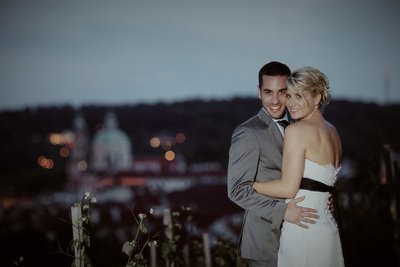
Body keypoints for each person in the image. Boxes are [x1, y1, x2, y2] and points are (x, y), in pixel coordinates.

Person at [227, 61, 319, 267]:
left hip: (302, 238)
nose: (275, 100)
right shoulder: (248, 133)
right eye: (268, 92)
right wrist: (283, 212)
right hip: (266, 244)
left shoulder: (299, 127)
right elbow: (236, 190)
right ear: (259, 92)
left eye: (283, 92)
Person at [252, 66, 345, 267]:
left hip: (302, 228)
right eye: (289, 95)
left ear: (317, 98)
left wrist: (250, 185)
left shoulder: (297, 131)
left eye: (299, 97)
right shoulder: (333, 131)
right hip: (326, 227)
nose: (291, 104)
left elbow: (288, 188)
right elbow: (325, 184)